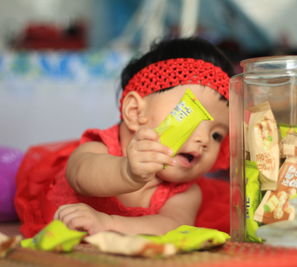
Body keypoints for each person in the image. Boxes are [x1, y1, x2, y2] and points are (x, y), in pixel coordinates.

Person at [15, 37, 234, 237]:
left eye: (217, 135)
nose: (205, 140)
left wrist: (108, 224)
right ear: (135, 112)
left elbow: (172, 225)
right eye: (191, 117)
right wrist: (127, 171)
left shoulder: (185, 192)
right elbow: (81, 177)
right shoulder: (101, 147)